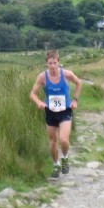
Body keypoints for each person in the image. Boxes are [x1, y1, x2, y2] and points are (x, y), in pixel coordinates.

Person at [30, 50, 81, 178]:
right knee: (53, 141)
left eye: (55, 63)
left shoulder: (66, 74)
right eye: (50, 63)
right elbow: (32, 94)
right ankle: (56, 165)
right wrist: (38, 102)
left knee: (64, 140)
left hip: (65, 111)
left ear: (59, 62)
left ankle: (64, 158)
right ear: (46, 64)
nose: (53, 66)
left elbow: (79, 83)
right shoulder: (42, 77)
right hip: (50, 112)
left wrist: (75, 100)